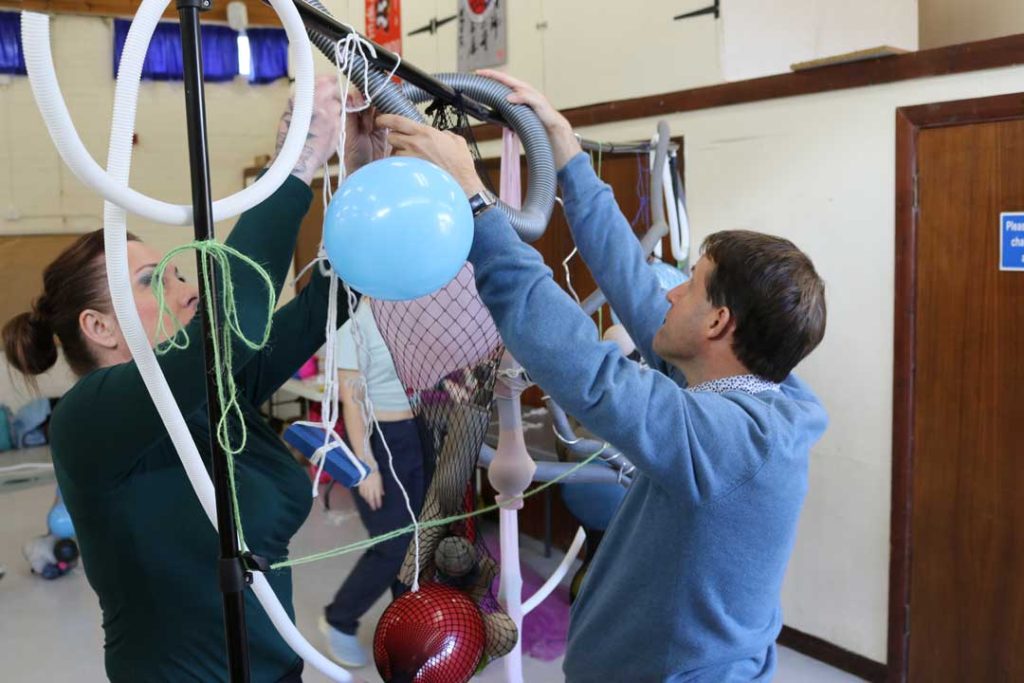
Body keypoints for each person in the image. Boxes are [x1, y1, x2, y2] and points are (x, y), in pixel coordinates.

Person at [380, 70, 828, 682]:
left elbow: (584, 370)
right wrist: (566, 153)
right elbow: (638, 288)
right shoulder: (758, 390)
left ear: (720, 323)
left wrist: (475, 202)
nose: (669, 296)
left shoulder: (730, 440)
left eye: (689, 286)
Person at [1, 76, 371, 683]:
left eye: (176, 273)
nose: (188, 287)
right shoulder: (86, 421)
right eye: (154, 280)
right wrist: (295, 160)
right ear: (100, 326)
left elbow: (331, 297)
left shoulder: (212, 393)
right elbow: (233, 324)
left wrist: (359, 173)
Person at [319, 296, 427, 667]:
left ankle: (403, 628)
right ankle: (339, 619)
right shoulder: (354, 325)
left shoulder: (411, 316)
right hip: (377, 441)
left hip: (417, 434)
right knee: (392, 545)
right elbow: (352, 402)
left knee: (416, 541)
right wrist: (368, 466)